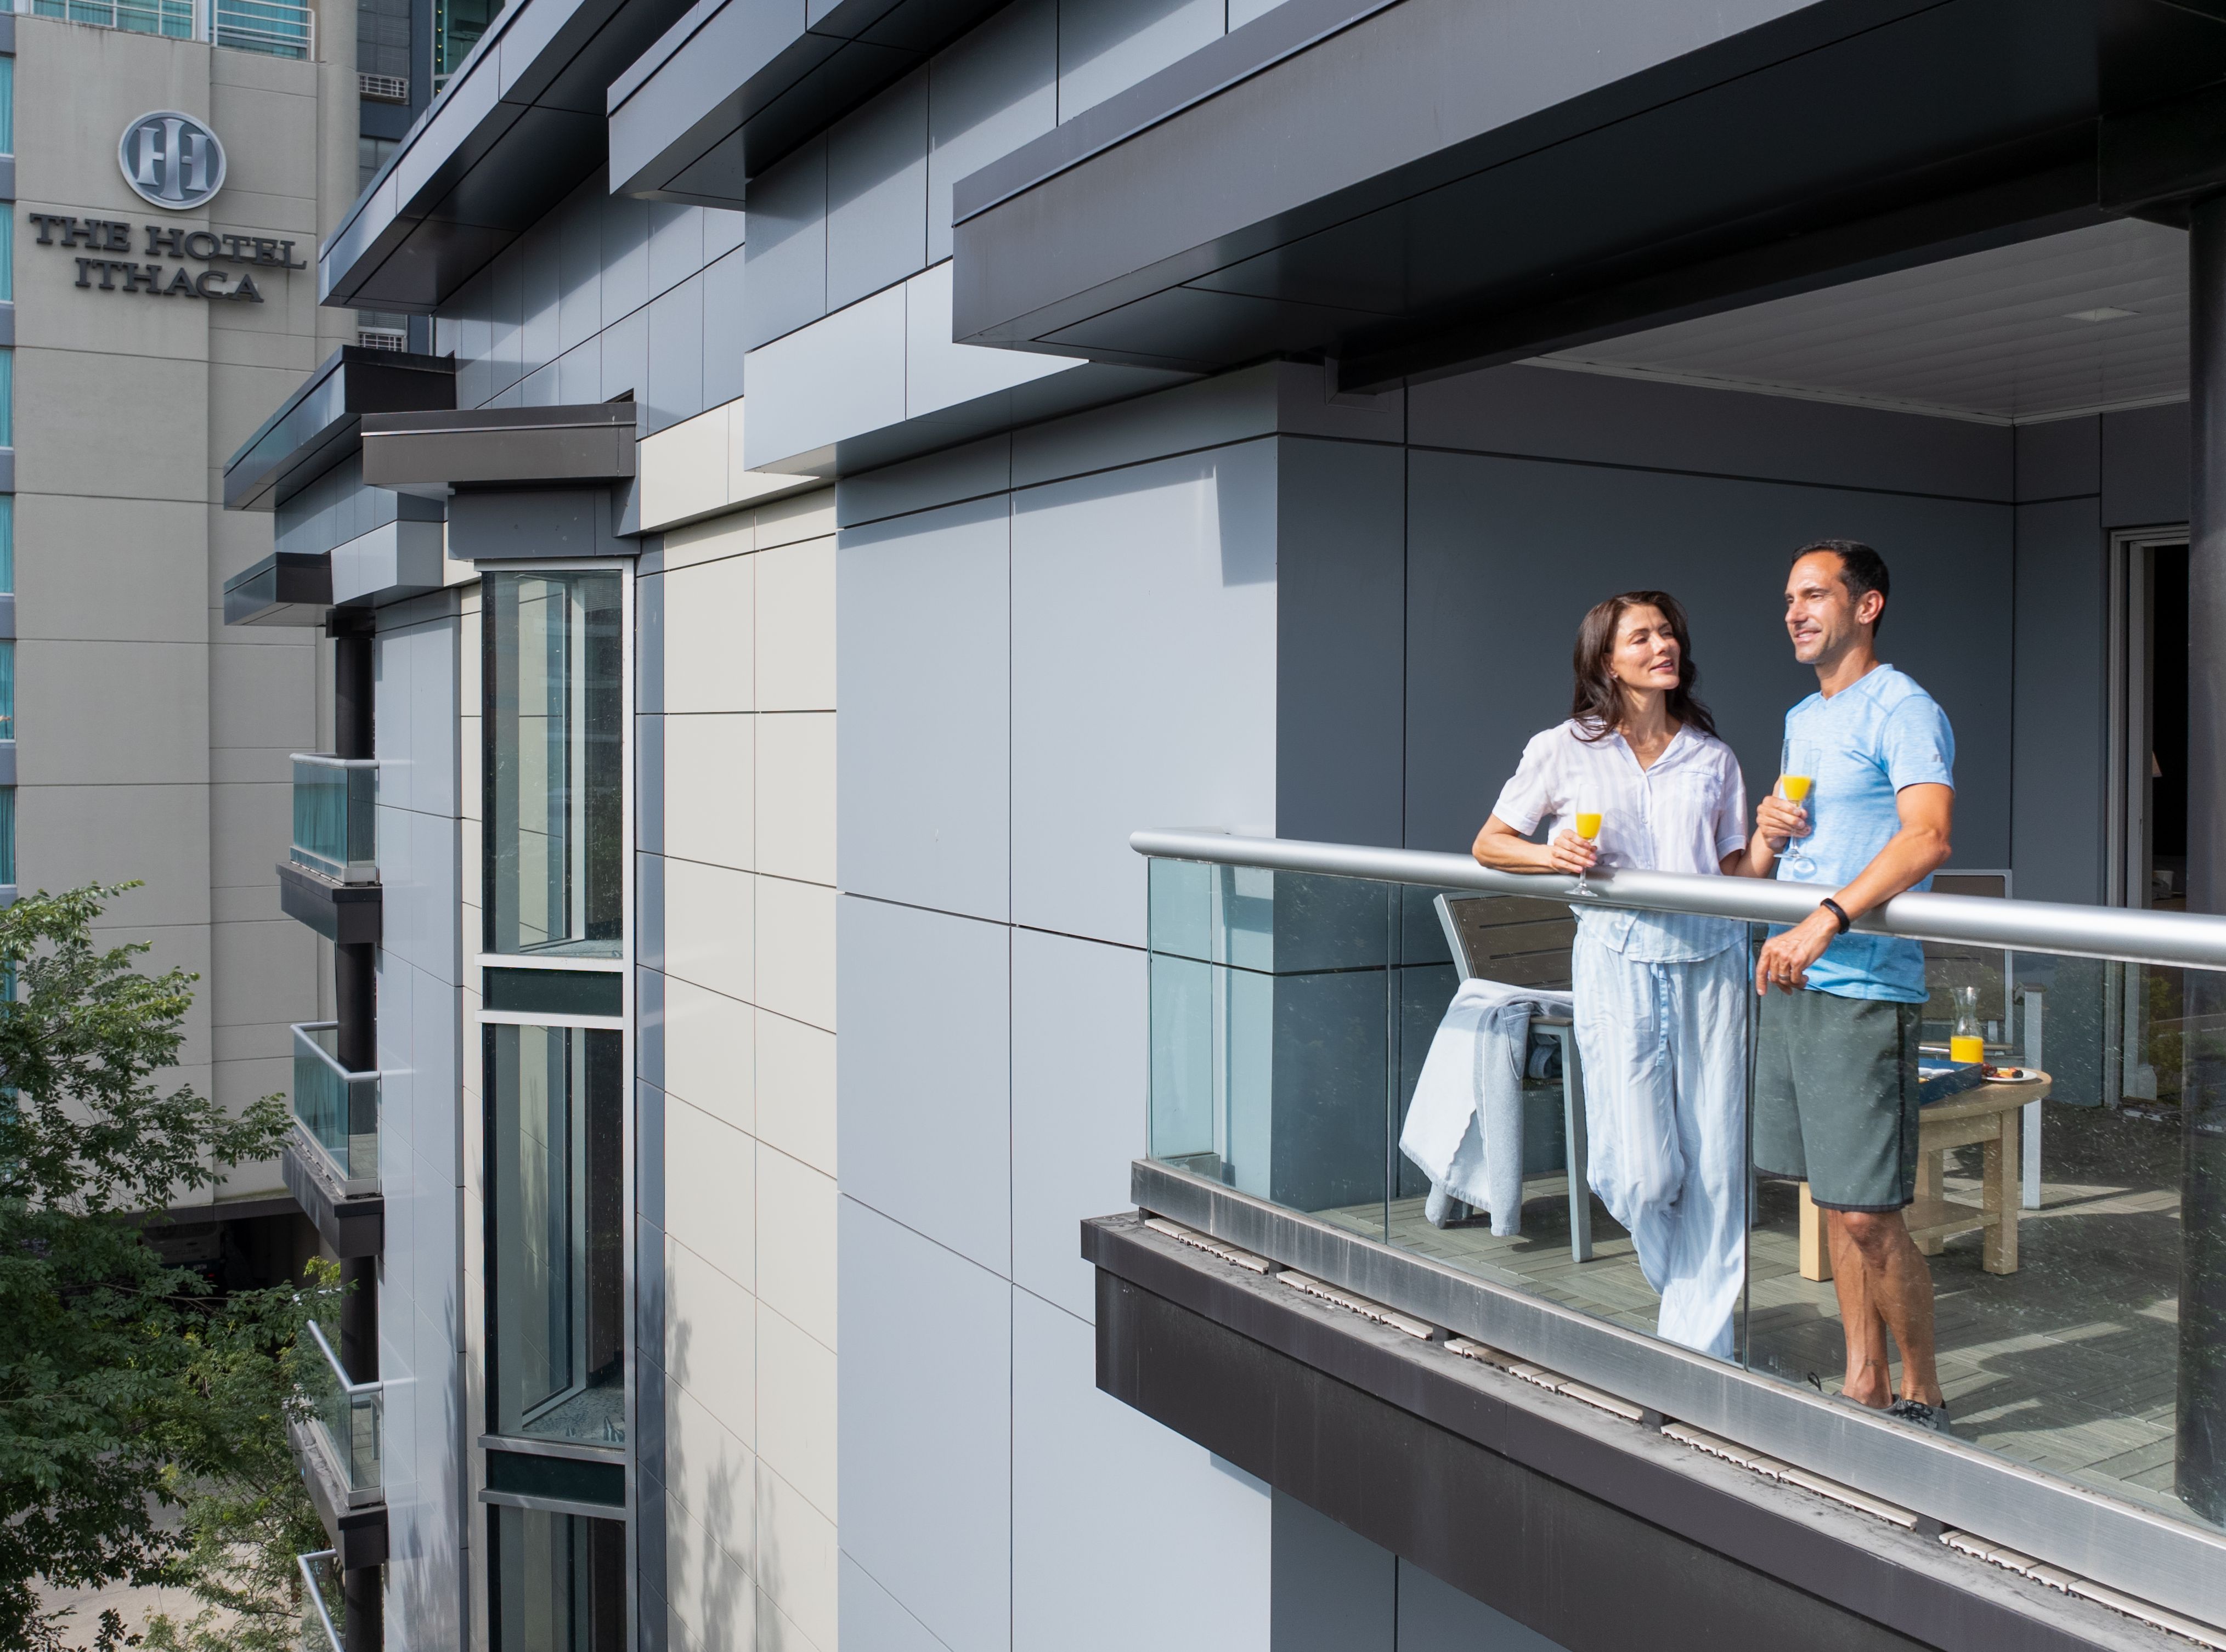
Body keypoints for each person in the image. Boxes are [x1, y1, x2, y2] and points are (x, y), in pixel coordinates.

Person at [1472, 591, 1754, 1357]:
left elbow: (1735, 872)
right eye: (1642, 636)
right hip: (1616, 958)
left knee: (1717, 1163)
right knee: (1636, 1170)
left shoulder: (1712, 756)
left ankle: (1700, 1348)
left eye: (1668, 633)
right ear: (1605, 658)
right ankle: (1688, 1294)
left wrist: (1772, 839)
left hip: (1712, 960)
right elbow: (1490, 843)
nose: (1661, 645)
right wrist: (1548, 855)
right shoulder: (1561, 748)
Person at [1741, 540, 1956, 1431]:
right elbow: (1795, 848)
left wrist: (1825, 916)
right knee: (1831, 1194)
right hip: (1791, 977)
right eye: (1788, 597)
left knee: (1868, 1213)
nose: (1794, 611)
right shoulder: (1802, 716)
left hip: (1864, 982)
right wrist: (1769, 826)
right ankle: (1862, 1379)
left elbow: (1925, 837)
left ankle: (1922, 1395)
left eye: (1814, 595)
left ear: (1864, 607)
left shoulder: (1903, 707)